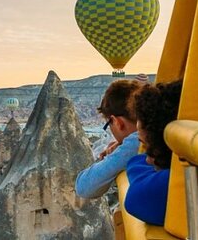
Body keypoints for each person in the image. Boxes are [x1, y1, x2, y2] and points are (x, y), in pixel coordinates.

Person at [124, 80, 182, 226]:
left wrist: (137, 164)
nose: (147, 160)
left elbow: (135, 199)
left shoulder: (180, 183)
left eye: (148, 147)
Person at [75, 79, 143, 199]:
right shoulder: (157, 130)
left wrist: (116, 154)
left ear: (117, 122)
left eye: (108, 124)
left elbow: (84, 187)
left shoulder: (137, 142)